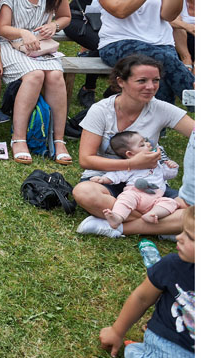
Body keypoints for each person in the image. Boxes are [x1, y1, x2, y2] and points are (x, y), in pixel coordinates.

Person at [74, 55, 194, 239]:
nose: (150, 87)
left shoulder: (162, 108)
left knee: (196, 212)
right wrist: (132, 164)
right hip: (107, 179)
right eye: (142, 81)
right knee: (83, 192)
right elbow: (86, 159)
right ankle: (164, 226)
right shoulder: (101, 110)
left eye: (156, 80)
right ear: (121, 82)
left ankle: (118, 226)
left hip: (149, 185)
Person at [98, 206, 194, 358]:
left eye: (190, 237)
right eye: (183, 231)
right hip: (169, 347)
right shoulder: (173, 266)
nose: (179, 237)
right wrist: (117, 331)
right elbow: (141, 298)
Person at [0, 0, 72, 164]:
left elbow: (66, 17)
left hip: (40, 45)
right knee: (35, 75)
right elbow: (3, 28)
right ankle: (18, 138)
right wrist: (23, 32)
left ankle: (58, 139)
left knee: (56, 76)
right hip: (12, 44)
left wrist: (54, 26)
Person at [96, 0, 194, 105]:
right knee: (160, 62)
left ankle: (158, 120)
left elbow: (168, 15)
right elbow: (121, 11)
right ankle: (194, 100)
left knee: (159, 78)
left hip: (161, 44)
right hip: (118, 43)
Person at [89, 130, 180, 229]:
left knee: (170, 202)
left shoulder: (157, 164)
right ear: (130, 154)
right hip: (135, 193)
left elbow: (168, 175)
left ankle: (152, 214)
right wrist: (103, 179)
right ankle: (118, 217)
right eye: (142, 145)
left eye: (146, 141)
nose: (148, 144)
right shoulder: (131, 167)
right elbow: (117, 175)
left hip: (155, 198)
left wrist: (171, 167)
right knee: (125, 199)